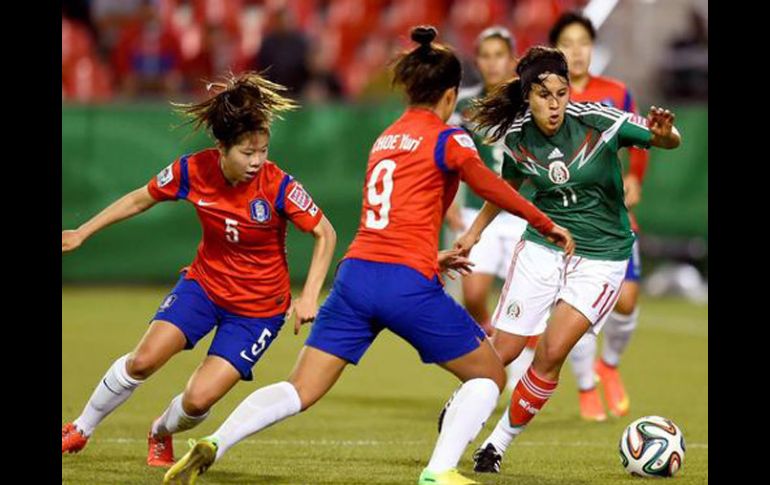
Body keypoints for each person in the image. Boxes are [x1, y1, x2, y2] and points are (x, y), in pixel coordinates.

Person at [163, 26, 573, 485]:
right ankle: (439, 471)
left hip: (357, 277)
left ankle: (218, 439)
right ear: (451, 94)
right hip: (405, 286)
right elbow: (490, 185)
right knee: (489, 377)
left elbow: (388, 222)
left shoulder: (385, 139)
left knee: (300, 388)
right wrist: (545, 221)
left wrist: (429, 257)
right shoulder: (447, 138)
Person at [61, 72, 337, 469]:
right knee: (143, 360)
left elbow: (325, 232)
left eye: (262, 150)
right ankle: (81, 428)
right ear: (222, 147)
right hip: (204, 287)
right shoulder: (193, 171)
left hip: (258, 310)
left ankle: (160, 431)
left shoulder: (277, 185)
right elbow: (141, 199)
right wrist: (83, 232)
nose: (257, 161)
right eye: (247, 152)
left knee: (198, 400)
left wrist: (310, 294)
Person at [457, 46, 680, 473]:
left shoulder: (600, 120)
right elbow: (506, 190)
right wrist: (473, 233)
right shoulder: (518, 136)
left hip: (601, 256)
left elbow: (667, 140)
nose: (555, 103)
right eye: (544, 95)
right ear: (528, 97)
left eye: (561, 93)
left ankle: (497, 444)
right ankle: (461, 412)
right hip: (544, 247)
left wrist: (666, 133)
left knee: (551, 351)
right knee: (500, 351)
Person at [550, 11, 651, 421]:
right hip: (569, 216)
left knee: (626, 299)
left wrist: (634, 177)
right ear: (555, 50)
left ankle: (608, 364)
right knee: (577, 305)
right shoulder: (548, 95)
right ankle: (587, 387)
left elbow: (642, 137)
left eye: (583, 43)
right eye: (567, 43)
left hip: (614, 213)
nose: (577, 51)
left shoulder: (617, 92)